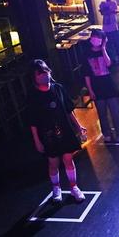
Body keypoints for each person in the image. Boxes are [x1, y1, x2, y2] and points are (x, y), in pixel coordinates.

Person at [27, 59, 87, 203]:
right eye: (40, 74)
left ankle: (74, 187)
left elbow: (69, 110)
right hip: (47, 133)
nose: (44, 75)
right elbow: (32, 120)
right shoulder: (33, 95)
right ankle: (56, 188)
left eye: (45, 72)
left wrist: (79, 126)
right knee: (53, 163)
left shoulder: (58, 88)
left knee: (68, 159)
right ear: (34, 78)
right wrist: (37, 140)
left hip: (65, 129)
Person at [82, 30, 119, 143]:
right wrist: (90, 90)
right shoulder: (86, 54)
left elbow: (109, 64)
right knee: (102, 113)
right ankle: (106, 134)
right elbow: (86, 74)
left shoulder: (107, 51)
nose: (96, 39)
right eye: (94, 37)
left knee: (115, 112)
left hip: (109, 85)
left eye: (99, 38)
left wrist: (103, 49)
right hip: (96, 86)